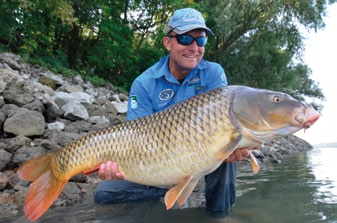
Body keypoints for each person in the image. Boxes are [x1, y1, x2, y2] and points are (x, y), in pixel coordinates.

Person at [94, 8, 249, 213]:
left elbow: (224, 122)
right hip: (158, 161)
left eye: (200, 41)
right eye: (185, 39)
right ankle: (166, 192)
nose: (194, 47)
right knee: (104, 195)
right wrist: (116, 164)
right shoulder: (143, 83)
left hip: (202, 156)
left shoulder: (213, 73)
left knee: (228, 146)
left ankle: (219, 214)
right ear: (168, 42)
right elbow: (134, 140)